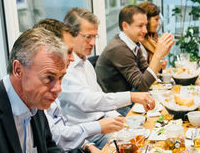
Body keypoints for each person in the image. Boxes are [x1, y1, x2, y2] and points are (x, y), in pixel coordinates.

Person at [33, 18, 122, 153]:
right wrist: (97, 131)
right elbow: (59, 136)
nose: (72, 57)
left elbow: (62, 128)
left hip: (78, 147)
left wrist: (87, 146)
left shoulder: (81, 67)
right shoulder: (44, 90)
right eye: (68, 51)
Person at [61, 8, 154, 143]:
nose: (93, 43)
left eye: (95, 37)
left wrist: (122, 120)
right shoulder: (66, 68)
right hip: (86, 134)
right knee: (134, 146)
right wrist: (131, 96)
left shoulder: (85, 63)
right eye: (88, 37)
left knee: (145, 136)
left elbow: (99, 98)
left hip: (102, 122)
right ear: (70, 35)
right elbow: (89, 102)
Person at [96, 5, 175, 92]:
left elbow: (145, 72)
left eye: (145, 25)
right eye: (140, 26)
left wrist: (160, 57)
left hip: (131, 97)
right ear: (125, 26)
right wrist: (158, 55)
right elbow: (141, 86)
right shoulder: (119, 48)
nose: (145, 30)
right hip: (117, 103)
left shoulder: (134, 43)